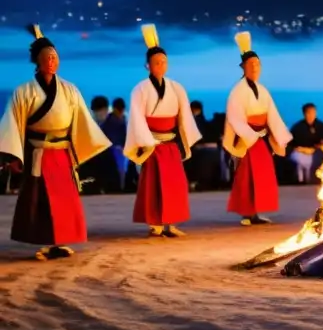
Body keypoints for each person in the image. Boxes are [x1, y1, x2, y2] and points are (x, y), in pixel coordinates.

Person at [0, 25, 111, 260]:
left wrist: (78, 149)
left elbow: (81, 122)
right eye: (46, 57)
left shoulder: (70, 90)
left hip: (61, 153)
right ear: (37, 62)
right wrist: (14, 156)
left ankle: (59, 242)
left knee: (64, 200)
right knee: (39, 200)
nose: (51, 61)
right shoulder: (24, 91)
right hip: (38, 153)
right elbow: (12, 123)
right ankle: (43, 241)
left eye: (54, 57)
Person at [125, 25, 202, 237]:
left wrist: (184, 138)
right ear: (147, 65)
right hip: (152, 144)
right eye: (156, 62)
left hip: (169, 144)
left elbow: (184, 116)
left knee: (174, 185)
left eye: (164, 61)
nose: (161, 65)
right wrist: (145, 142)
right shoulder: (140, 89)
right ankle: (155, 223)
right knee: (153, 186)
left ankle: (171, 223)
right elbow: (137, 119)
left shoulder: (176, 88)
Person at [223, 32, 292, 226]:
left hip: (260, 137)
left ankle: (255, 213)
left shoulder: (263, 90)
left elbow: (272, 114)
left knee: (262, 176)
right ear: (243, 67)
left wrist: (278, 134)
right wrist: (249, 136)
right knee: (246, 177)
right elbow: (235, 118)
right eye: (251, 65)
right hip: (247, 139)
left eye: (257, 64)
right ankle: (246, 213)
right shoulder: (238, 91)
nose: (255, 68)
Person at [288, 103, 323, 183]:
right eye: (309, 112)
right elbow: (291, 143)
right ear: (304, 113)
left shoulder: (321, 126)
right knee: (297, 159)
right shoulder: (297, 127)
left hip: (316, 152)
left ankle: (313, 181)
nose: (311, 115)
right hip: (301, 152)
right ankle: (300, 182)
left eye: (313, 112)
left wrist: (313, 149)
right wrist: (302, 149)